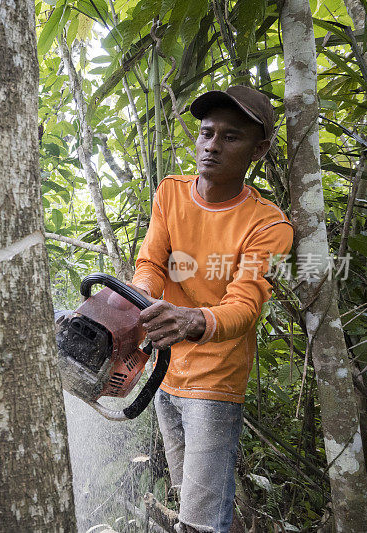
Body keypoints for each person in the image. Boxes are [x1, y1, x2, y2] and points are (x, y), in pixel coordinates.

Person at [129, 85, 294, 533]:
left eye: (230, 137)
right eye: (206, 133)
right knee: (192, 501)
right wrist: (141, 298)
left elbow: (245, 306)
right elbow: (150, 263)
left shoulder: (271, 225)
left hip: (215, 382)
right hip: (164, 372)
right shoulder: (171, 193)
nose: (213, 146)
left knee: (202, 518)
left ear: (259, 149)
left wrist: (190, 320)